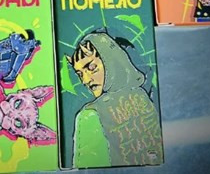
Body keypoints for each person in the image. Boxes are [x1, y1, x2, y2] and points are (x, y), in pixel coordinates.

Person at [66, 32, 162, 168]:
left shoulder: (90, 115)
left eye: (91, 67)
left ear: (110, 60)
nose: (85, 80)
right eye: (80, 74)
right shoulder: (142, 96)